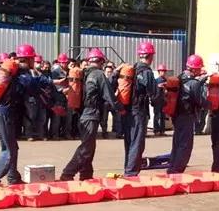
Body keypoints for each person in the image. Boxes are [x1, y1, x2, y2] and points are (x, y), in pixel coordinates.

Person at [60, 48, 122, 181]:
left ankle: (86, 175)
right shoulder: (99, 75)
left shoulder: (84, 73)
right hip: (91, 115)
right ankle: (67, 173)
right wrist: (120, 108)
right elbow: (109, 95)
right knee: (86, 148)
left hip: (82, 114)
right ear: (101, 62)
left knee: (89, 146)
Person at [0, 44, 40, 186]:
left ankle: (13, 177)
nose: (34, 61)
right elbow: (33, 87)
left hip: (1, 113)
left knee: (12, 147)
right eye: (32, 59)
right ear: (28, 59)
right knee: (8, 151)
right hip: (4, 114)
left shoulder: (12, 72)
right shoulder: (23, 75)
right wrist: (42, 79)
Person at [168, 55, 211, 174]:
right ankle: (177, 170)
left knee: (177, 142)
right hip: (186, 116)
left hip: (176, 115)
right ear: (195, 69)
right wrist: (211, 104)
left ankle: (172, 167)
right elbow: (200, 101)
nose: (200, 70)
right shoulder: (194, 83)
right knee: (185, 145)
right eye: (199, 68)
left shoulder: (179, 78)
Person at [121, 41, 158, 176]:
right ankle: (131, 173)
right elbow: (154, 93)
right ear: (151, 56)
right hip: (138, 111)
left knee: (129, 142)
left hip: (127, 110)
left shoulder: (133, 69)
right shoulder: (147, 72)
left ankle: (127, 169)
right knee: (137, 143)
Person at [25, 55, 48, 141]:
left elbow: (47, 83)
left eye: (40, 62)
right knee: (31, 116)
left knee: (42, 117)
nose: (39, 64)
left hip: (42, 99)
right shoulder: (29, 72)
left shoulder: (43, 73)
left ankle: (40, 134)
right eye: (37, 62)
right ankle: (29, 135)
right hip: (31, 98)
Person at [49, 53, 69, 140]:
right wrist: (71, 88)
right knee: (56, 118)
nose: (65, 64)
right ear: (59, 62)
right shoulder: (55, 72)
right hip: (58, 98)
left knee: (66, 118)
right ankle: (54, 134)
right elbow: (59, 88)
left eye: (66, 62)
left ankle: (65, 134)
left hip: (67, 98)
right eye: (63, 62)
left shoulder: (68, 71)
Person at [153, 64, 168, 136]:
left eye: (164, 71)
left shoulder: (166, 81)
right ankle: (156, 130)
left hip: (163, 101)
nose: (163, 73)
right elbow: (153, 91)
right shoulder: (155, 81)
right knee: (157, 115)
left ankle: (162, 130)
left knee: (163, 116)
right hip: (157, 101)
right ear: (159, 72)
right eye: (162, 71)